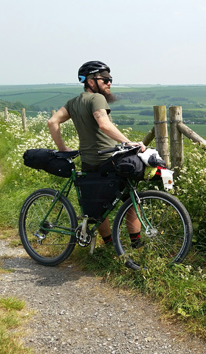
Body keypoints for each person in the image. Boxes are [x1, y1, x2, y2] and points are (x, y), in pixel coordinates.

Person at [47, 60, 145, 252]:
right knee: (131, 199)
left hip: (88, 163)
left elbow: (52, 122)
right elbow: (104, 124)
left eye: (110, 79)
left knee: (99, 207)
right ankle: (136, 246)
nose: (109, 83)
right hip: (107, 160)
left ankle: (108, 248)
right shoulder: (97, 99)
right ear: (91, 81)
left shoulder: (73, 102)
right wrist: (128, 143)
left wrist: (63, 148)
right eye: (105, 79)